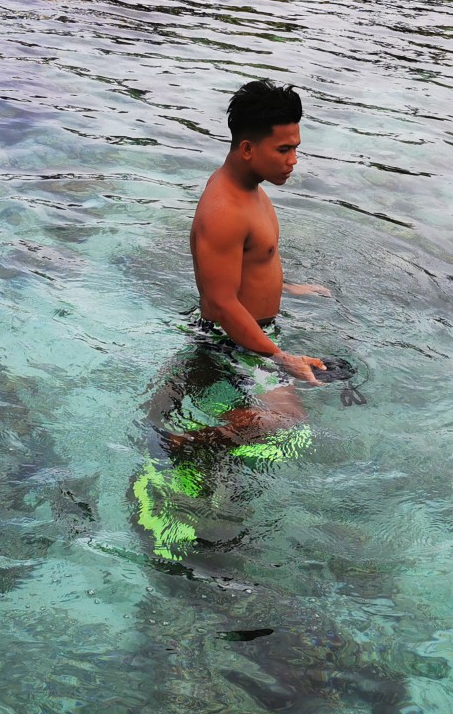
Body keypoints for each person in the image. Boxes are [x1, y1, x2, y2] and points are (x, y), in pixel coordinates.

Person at [131, 80, 331, 564]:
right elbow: (220, 303)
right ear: (247, 148)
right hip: (232, 342)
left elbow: (249, 265)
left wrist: (285, 287)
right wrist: (279, 356)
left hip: (250, 336)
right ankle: (190, 446)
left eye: (296, 149)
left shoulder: (252, 190)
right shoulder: (223, 208)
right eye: (283, 149)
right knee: (287, 426)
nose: (293, 160)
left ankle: (207, 449)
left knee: (277, 423)